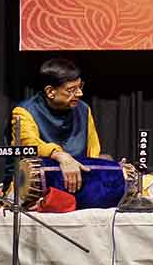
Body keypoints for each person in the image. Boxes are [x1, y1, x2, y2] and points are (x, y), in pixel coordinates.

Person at [8, 58, 101, 193]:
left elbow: (93, 152)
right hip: (39, 187)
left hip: (79, 184)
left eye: (80, 87)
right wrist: (60, 155)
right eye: (71, 90)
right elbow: (29, 145)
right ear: (50, 92)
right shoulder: (24, 112)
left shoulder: (84, 110)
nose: (80, 93)